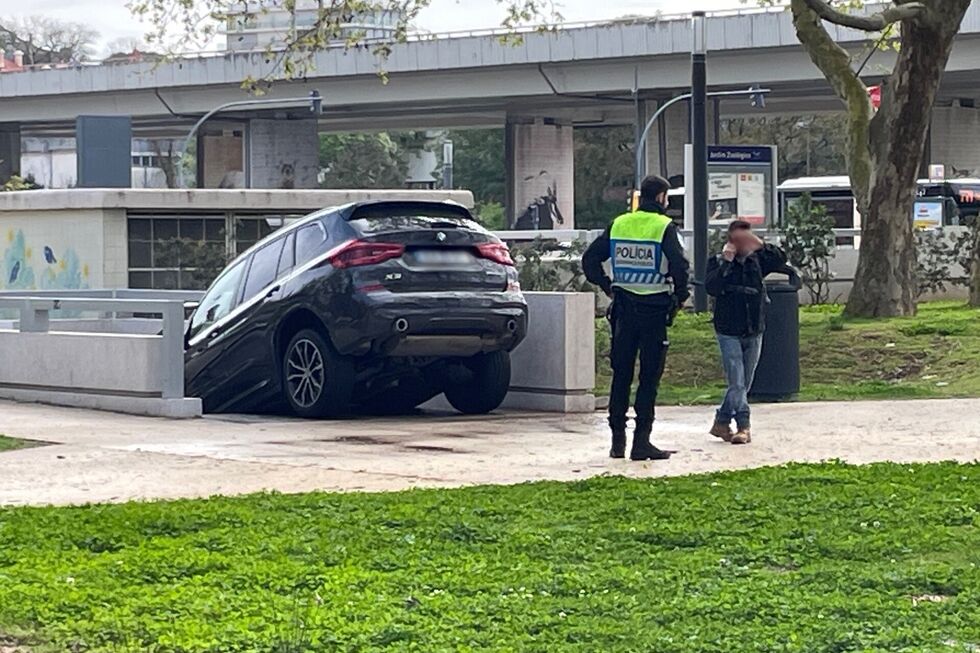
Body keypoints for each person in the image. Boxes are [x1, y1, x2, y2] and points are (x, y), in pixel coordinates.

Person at [583, 175, 690, 461]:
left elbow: (590, 260)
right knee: (649, 377)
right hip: (654, 310)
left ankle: (617, 442)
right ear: (661, 197)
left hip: (623, 310)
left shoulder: (619, 223)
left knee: (621, 375)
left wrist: (607, 285)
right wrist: (680, 296)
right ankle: (641, 442)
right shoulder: (664, 226)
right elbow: (679, 265)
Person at [705, 220, 788, 445]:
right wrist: (726, 262)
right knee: (737, 382)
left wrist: (759, 244)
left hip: (753, 327)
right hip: (728, 329)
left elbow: (780, 258)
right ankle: (744, 426)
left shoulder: (758, 260)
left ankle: (722, 421)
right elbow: (711, 287)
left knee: (745, 382)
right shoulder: (717, 261)